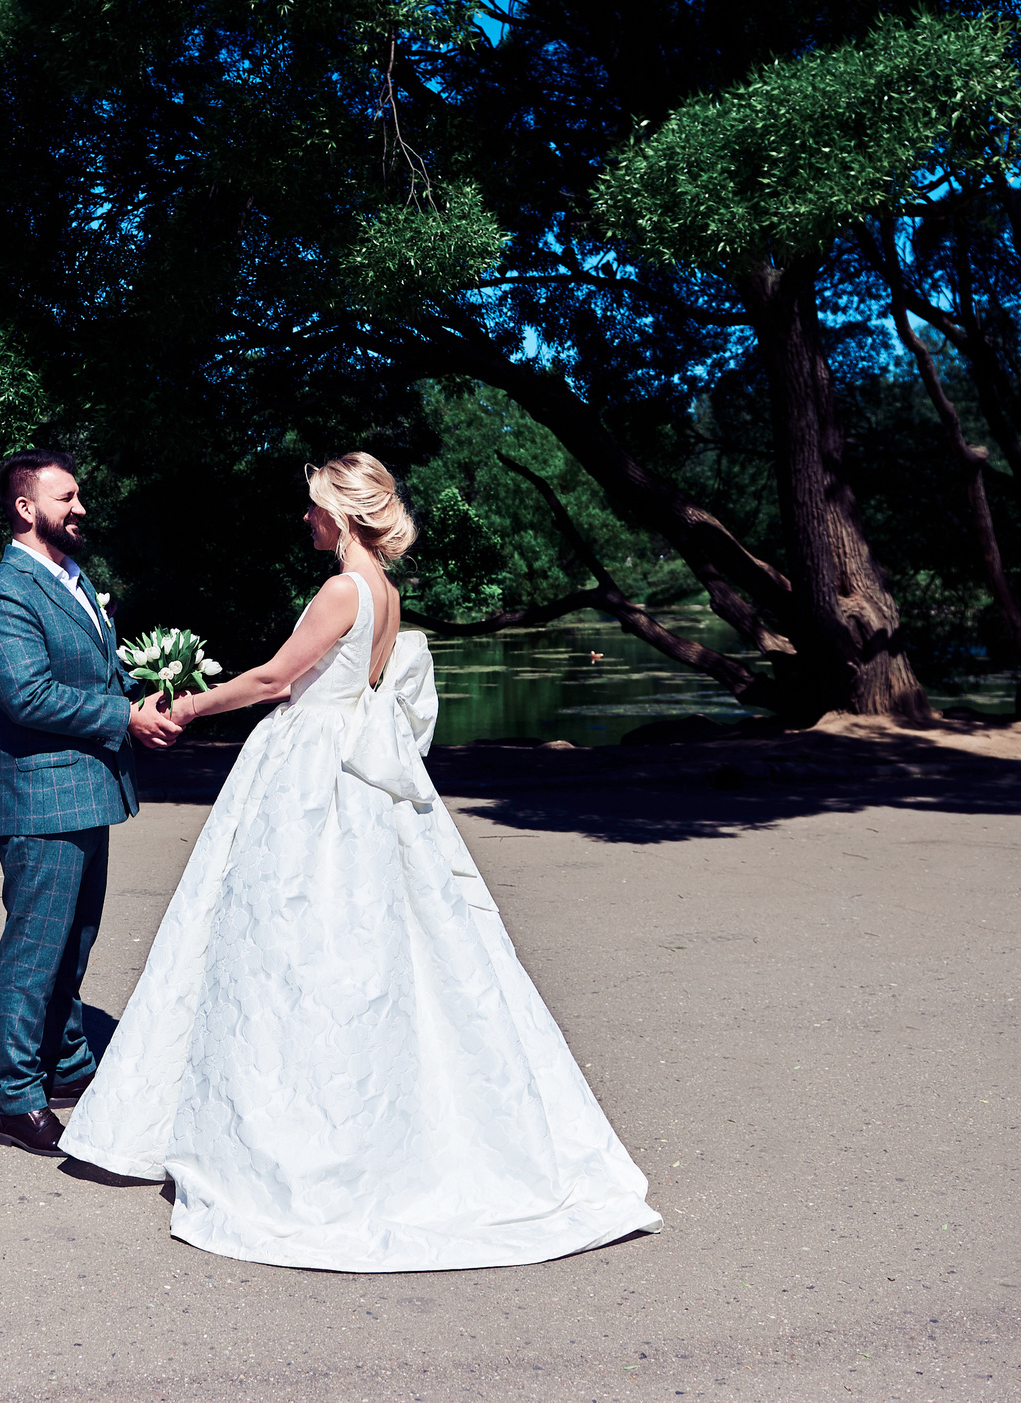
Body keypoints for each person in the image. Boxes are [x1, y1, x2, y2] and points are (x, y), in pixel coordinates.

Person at [60, 453, 661, 1271]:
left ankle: (296, 1135)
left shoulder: (344, 588)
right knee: (370, 940)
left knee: (288, 942)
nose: (305, 519)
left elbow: (278, 679)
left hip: (311, 773)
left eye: (312, 507)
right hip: (357, 780)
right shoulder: (389, 591)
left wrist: (187, 705)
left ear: (340, 513)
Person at [0, 450, 183, 1157]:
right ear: (27, 508)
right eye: (67, 497)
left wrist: (143, 694)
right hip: (41, 798)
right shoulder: (5, 594)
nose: (81, 508)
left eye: (80, 495)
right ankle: (16, 1097)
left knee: (75, 941)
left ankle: (65, 1065)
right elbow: (25, 696)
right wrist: (123, 717)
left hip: (87, 792)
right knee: (34, 947)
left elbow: (96, 667)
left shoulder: (74, 578)